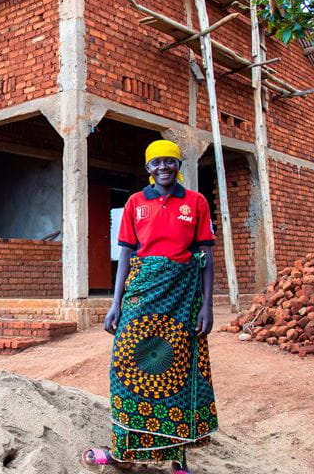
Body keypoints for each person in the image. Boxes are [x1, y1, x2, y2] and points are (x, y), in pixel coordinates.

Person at [82, 140, 217, 474]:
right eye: (156, 163)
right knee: (126, 366)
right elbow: (126, 253)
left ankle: (178, 458)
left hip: (184, 295)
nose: (163, 168)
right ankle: (123, 452)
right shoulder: (135, 202)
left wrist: (207, 306)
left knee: (178, 370)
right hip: (141, 292)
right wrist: (116, 303)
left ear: (178, 165)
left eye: (169, 162)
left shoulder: (196, 202)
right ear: (147, 169)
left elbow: (207, 256)